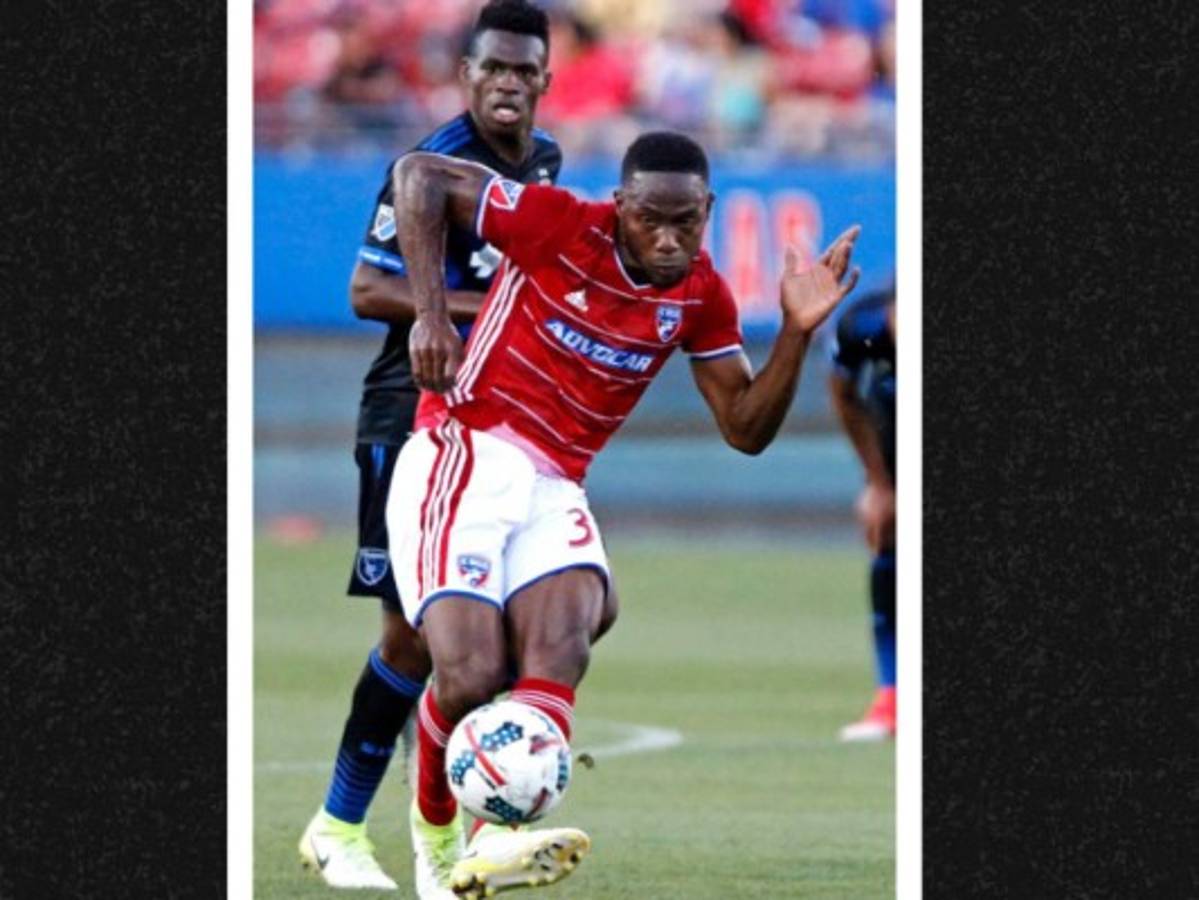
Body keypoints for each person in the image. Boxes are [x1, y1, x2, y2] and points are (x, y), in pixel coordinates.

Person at [388, 130, 861, 897]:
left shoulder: (701, 295)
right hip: (465, 447)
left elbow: (744, 429)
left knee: (571, 630)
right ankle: (436, 832)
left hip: (557, 484)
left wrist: (797, 335)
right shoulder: (557, 224)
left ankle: (494, 842)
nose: (668, 238)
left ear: (708, 211)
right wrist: (430, 316)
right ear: (620, 206)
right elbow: (418, 176)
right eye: (649, 218)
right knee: (469, 676)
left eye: (686, 221)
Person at [298, 1, 563, 890]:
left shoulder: (546, 163)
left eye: (524, 72)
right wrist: (487, 317)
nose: (507, 86)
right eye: (493, 69)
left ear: (544, 81)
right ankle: (339, 828)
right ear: (466, 73)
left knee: (497, 635)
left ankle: (461, 837)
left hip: (487, 428)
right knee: (417, 639)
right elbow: (368, 289)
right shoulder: (427, 166)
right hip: (401, 418)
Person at [828, 287, 896, 741]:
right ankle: (892, 698)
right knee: (888, 532)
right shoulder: (863, 325)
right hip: (896, 452)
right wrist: (879, 485)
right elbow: (845, 394)